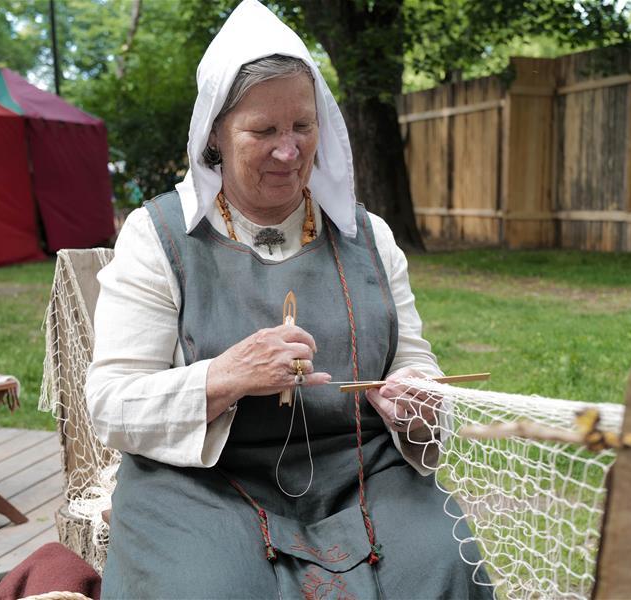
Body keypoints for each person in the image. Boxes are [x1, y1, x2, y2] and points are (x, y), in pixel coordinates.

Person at [86, 1, 493, 597]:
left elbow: (414, 361)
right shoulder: (159, 237)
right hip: (202, 485)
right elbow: (109, 403)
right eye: (264, 131)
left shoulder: (368, 236)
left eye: (303, 126)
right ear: (216, 137)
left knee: (443, 568)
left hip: (361, 474)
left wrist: (419, 401)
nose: (289, 150)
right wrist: (224, 376)